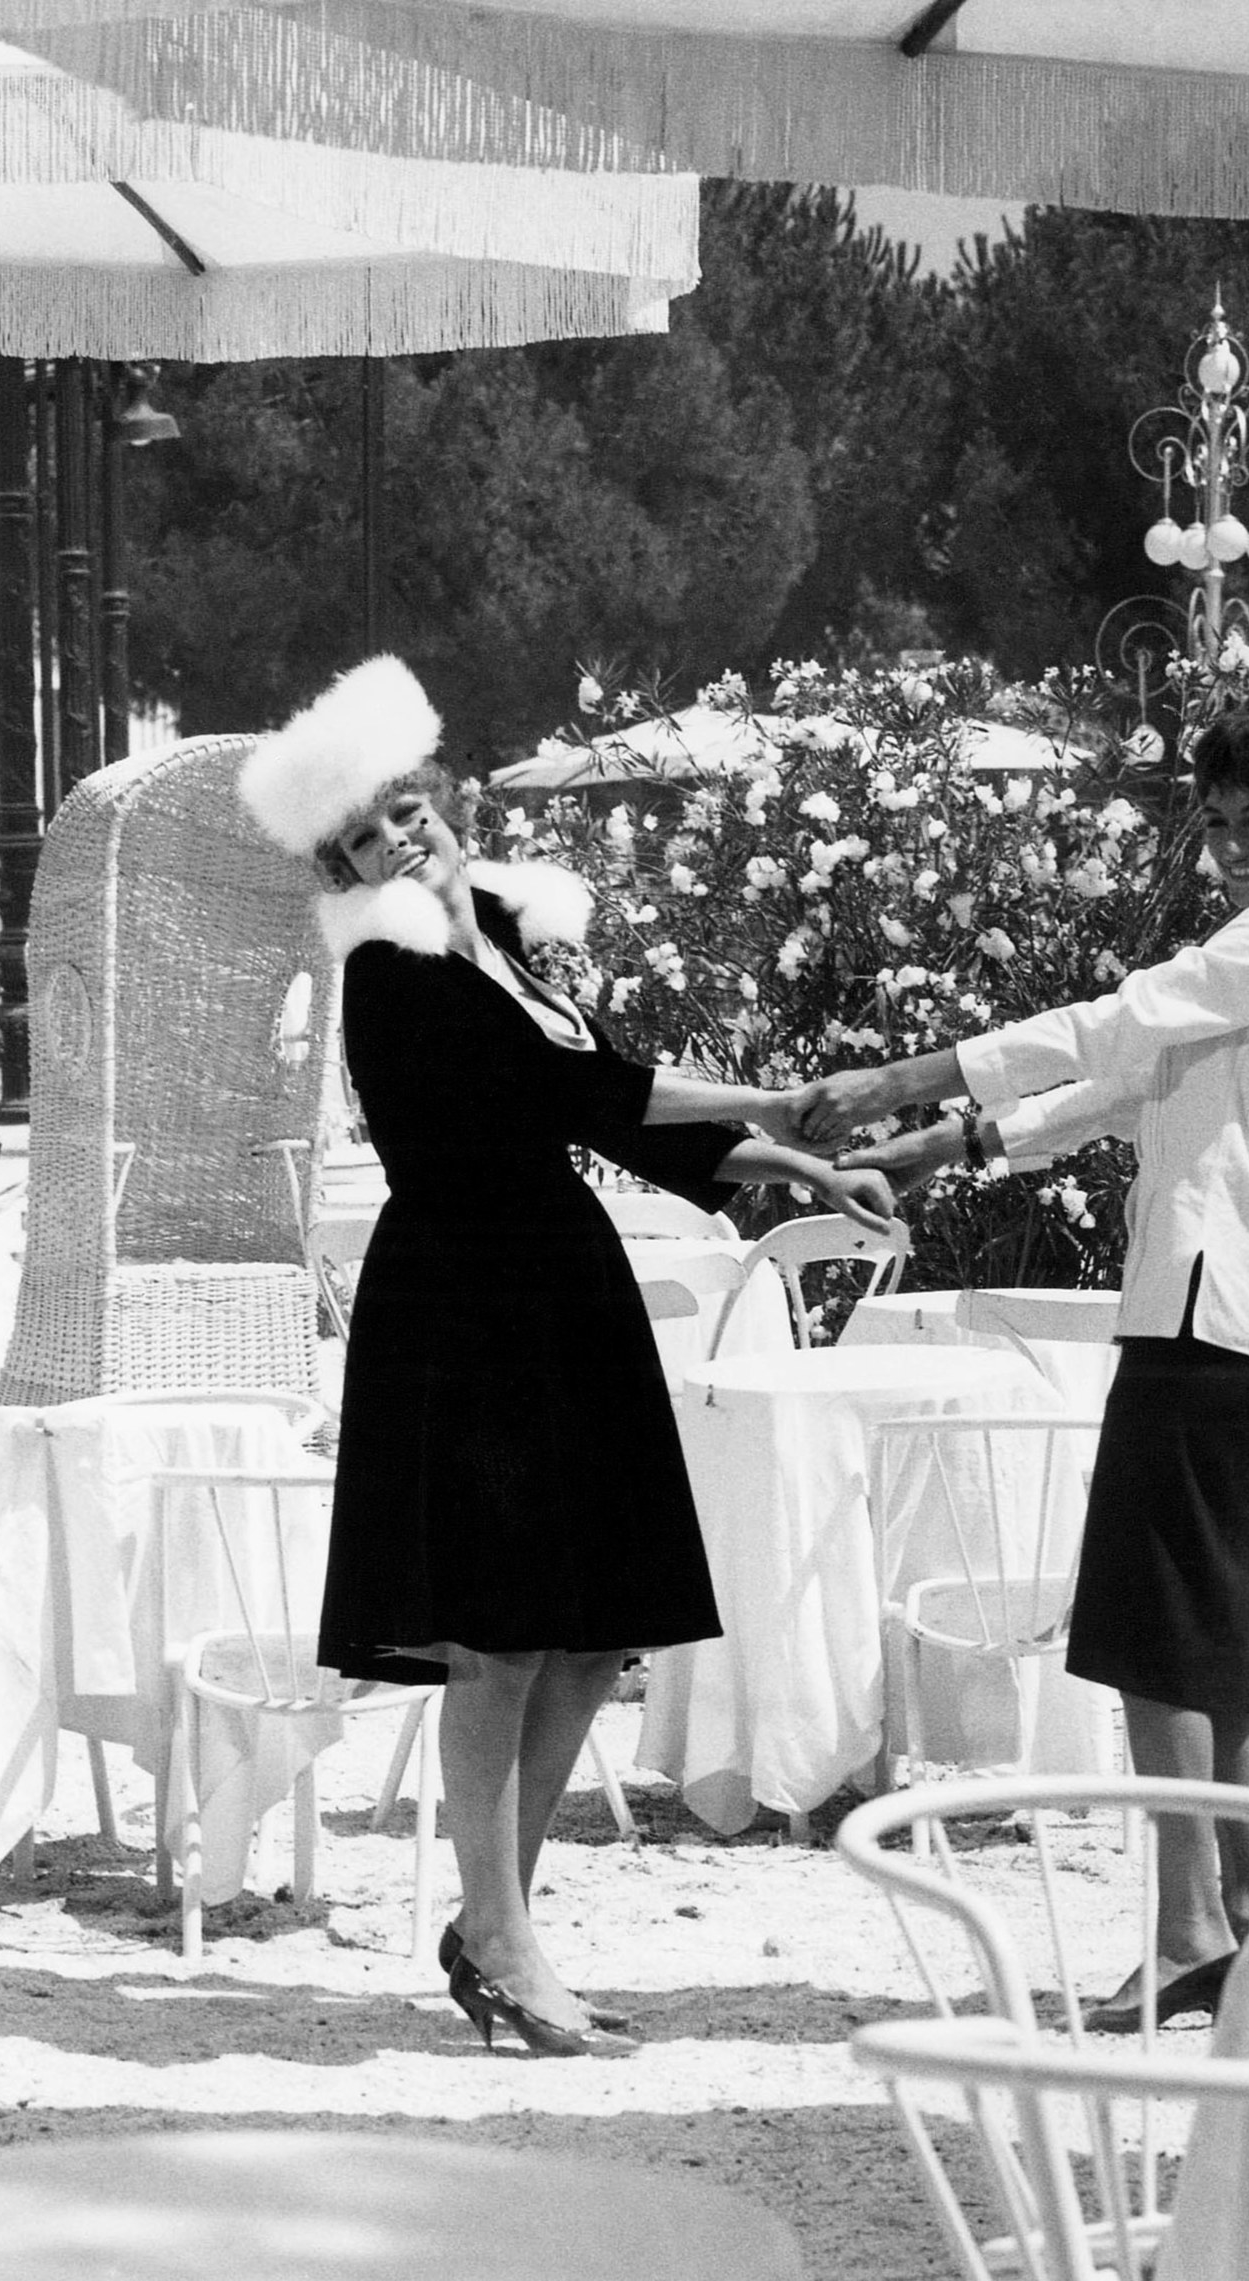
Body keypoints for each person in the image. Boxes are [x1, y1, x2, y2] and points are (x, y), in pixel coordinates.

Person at [241, 656, 897, 2060]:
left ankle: (500, 1921)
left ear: (441, 794)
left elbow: (610, 1083)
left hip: (557, 1287)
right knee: (502, 1636)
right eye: (363, 834)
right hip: (468, 1306)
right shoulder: (389, 972)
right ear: (341, 865)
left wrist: (789, 1159)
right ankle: (501, 1928)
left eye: (405, 809)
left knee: (594, 1632)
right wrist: (777, 1094)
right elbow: (565, 1090)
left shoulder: (495, 926)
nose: (396, 839)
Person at [798, 700, 1249, 2032]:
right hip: (1244, 1319)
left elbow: (1111, 1031)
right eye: (1218, 822)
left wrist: (901, 1080)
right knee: (1212, 1639)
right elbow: (1132, 1083)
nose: (1233, 846)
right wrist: (958, 1140)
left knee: (1158, 1639)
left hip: (1205, 1313)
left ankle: (1184, 1931)